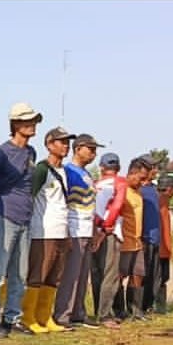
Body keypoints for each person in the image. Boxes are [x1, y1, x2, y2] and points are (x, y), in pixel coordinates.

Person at [0, 102, 41, 335]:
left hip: (25, 218)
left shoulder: (31, 152)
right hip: (4, 215)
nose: (32, 125)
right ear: (16, 124)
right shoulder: (1, 154)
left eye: (34, 121)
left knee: (20, 273)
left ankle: (12, 317)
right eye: (28, 121)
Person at [22, 127, 75, 333]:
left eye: (67, 142)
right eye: (61, 142)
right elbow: (31, 196)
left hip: (61, 230)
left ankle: (45, 316)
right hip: (43, 231)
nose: (65, 146)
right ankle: (28, 316)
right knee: (39, 274)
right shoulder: (41, 169)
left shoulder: (64, 171)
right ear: (49, 144)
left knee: (55, 276)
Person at [54, 133, 102, 328]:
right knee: (70, 276)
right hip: (73, 228)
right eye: (90, 149)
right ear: (78, 148)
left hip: (86, 228)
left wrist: (95, 230)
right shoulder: (69, 172)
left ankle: (78, 313)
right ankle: (63, 315)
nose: (93, 154)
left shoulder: (87, 174)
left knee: (83, 275)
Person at [91, 152, 126, 329]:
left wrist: (97, 229)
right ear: (118, 168)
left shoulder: (95, 184)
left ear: (102, 167)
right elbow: (116, 206)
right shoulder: (120, 182)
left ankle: (98, 310)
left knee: (96, 274)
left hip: (92, 229)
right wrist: (105, 229)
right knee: (110, 274)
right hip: (109, 231)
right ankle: (105, 315)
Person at [114, 159, 147, 321]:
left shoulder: (138, 192)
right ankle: (119, 310)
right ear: (131, 174)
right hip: (124, 242)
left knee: (138, 275)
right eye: (141, 178)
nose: (143, 182)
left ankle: (136, 310)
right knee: (120, 276)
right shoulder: (122, 190)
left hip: (137, 242)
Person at [139, 161, 162, 314]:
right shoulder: (137, 190)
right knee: (141, 274)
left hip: (155, 239)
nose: (155, 170)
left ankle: (149, 306)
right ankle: (138, 306)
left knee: (154, 275)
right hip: (143, 238)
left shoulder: (155, 190)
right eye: (152, 168)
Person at [154, 175, 173, 313]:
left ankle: (159, 307)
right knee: (160, 277)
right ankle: (158, 307)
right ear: (169, 189)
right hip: (160, 247)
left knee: (161, 277)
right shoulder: (161, 201)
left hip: (161, 246)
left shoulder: (160, 200)